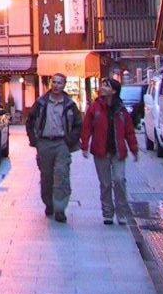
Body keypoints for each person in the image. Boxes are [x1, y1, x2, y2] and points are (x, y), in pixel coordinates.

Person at [81, 77, 138, 226]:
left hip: (118, 152)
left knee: (119, 180)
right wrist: (85, 145)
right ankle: (107, 213)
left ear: (113, 91)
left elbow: (129, 131)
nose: (102, 87)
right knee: (105, 184)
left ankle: (121, 212)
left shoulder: (121, 110)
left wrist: (134, 149)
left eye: (106, 86)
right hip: (100, 151)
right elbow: (87, 127)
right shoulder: (95, 107)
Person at [26, 73, 82, 223]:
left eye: (60, 83)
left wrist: (70, 140)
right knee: (47, 176)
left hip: (62, 144)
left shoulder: (69, 104)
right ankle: (49, 203)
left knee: (61, 175)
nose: (56, 85)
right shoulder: (41, 103)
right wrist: (34, 141)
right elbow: (30, 121)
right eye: (54, 82)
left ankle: (60, 208)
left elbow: (78, 124)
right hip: (44, 143)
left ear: (64, 85)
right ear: (51, 83)